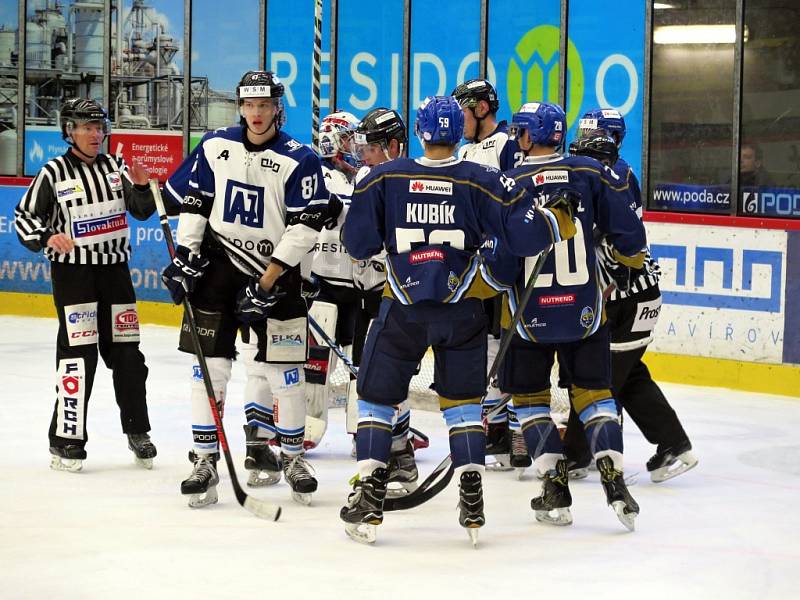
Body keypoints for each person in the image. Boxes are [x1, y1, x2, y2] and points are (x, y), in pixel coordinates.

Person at [339, 95, 579, 545]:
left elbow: (357, 244)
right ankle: (471, 488)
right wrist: (554, 221)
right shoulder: (481, 178)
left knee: (375, 400)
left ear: (418, 132)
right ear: (455, 132)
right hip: (463, 312)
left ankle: (369, 492)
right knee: (465, 406)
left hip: (403, 310)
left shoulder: (384, 177)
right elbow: (526, 236)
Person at [161, 70, 330, 507]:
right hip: (218, 269)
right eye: (249, 105)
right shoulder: (216, 145)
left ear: (278, 107)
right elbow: (196, 202)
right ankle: (204, 459)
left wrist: (268, 280)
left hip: (277, 275)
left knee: (285, 371)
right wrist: (185, 255)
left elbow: (305, 226)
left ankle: (293, 457)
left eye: (265, 105)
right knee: (208, 370)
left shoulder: (300, 157)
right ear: (241, 107)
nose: (256, 114)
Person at [499, 102, 646, 531]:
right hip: (585, 306)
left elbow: (502, 260)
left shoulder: (511, 182)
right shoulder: (590, 171)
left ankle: (555, 482)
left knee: (529, 400)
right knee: (596, 395)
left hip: (529, 315)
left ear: (528, 136)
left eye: (521, 131)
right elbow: (632, 239)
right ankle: (615, 480)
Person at [15, 97, 157, 472]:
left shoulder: (117, 167)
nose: (95, 134)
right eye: (86, 127)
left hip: (116, 275)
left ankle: (138, 431)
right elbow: (25, 216)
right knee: (79, 356)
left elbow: (142, 211)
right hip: (74, 277)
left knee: (128, 355)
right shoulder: (53, 171)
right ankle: (66, 439)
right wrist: (47, 236)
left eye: (99, 127)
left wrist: (142, 187)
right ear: (69, 131)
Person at [563, 109, 698, 483]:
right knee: (627, 373)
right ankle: (675, 444)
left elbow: (616, 242)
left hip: (626, 298)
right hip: (634, 295)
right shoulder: (616, 174)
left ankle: (574, 454)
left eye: (592, 137)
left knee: (597, 376)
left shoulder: (615, 177)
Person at [346, 107, 424, 498]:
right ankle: (389, 447)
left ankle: (401, 452)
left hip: (398, 293)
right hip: (365, 292)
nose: (365, 155)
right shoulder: (367, 176)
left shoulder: (410, 178)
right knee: (370, 373)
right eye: (363, 147)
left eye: (373, 147)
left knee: (393, 375)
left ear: (394, 146)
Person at [451, 78, 526, 470]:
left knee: (509, 344)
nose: (457, 118)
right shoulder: (465, 149)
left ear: (481, 109)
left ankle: (517, 432)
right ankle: (495, 428)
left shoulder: (507, 144)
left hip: (504, 262)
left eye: (463, 109)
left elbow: (517, 204)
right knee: (486, 344)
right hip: (474, 264)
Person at [303, 110, 361, 448]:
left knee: (360, 365)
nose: (355, 145)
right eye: (349, 138)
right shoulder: (318, 177)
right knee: (316, 363)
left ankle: (361, 429)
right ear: (334, 141)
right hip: (322, 284)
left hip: (356, 286)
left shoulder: (360, 176)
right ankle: (307, 428)